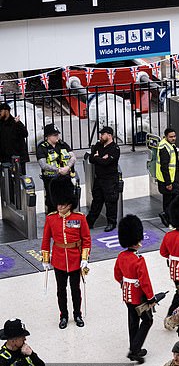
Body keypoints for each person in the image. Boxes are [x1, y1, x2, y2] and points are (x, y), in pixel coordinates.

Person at [40, 175, 91, 329]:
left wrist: (84, 258)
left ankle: (77, 314)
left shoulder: (80, 218)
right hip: (59, 259)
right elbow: (45, 240)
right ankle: (64, 315)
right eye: (58, 205)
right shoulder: (51, 219)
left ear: (69, 205)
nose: (59, 208)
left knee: (76, 290)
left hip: (75, 259)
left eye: (63, 205)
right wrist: (45, 259)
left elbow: (86, 239)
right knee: (61, 291)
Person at [113, 215, 155, 364]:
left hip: (127, 294)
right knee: (148, 320)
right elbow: (145, 282)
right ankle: (134, 350)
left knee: (133, 321)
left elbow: (117, 275)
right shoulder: (139, 260)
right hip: (138, 297)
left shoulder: (121, 256)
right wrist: (151, 298)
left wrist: (125, 285)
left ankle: (134, 346)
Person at [86, 126, 120, 232]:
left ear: (109, 135)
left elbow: (106, 163)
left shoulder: (115, 149)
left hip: (110, 180)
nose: (100, 136)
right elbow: (91, 159)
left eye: (102, 134)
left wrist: (97, 158)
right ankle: (89, 222)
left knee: (111, 202)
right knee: (96, 201)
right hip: (99, 179)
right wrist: (98, 158)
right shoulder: (98, 145)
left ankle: (111, 223)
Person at [36, 123, 76, 214]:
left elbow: (73, 157)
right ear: (48, 136)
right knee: (52, 202)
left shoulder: (62, 144)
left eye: (57, 134)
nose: (57, 137)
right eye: (54, 135)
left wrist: (67, 167)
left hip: (65, 177)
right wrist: (58, 170)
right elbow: (43, 164)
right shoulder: (42, 147)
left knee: (68, 200)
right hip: (51, 179)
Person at [156, 128, 179, 222]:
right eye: (171, 137)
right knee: (171, 199)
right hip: (168, 179)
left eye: (174, 136)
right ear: (166, 136)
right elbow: (164, 167)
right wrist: (168, 183)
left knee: (170, 199)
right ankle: (166, 215)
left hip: (171, 178)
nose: (173, 138)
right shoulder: (164, 148)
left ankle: (168, 216)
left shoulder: (169, 145)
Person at [0, 102, 29, 174]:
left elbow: (25, 134)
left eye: (0, 111)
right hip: (5, 159)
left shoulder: (15, 122)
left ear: (6, 111)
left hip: (18, 158)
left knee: (19, 180)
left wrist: (19, 124)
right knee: (7, 181)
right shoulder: (0, 124)